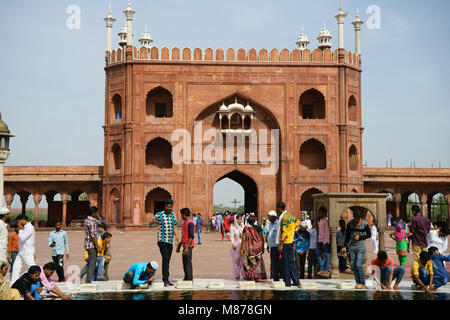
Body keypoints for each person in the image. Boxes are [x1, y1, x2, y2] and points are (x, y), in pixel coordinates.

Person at [152, 199, 179, 287]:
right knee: (166, 258)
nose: (169, 208)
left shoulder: (173, 215)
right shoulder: (159, 214)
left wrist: (177, 236)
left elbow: (174, 226)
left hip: (169, 241)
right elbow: (150, 223)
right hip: (162, 240)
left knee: (167, 260)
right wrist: (153, 222)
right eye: (167, 207)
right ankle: (166, 279)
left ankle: (166, 279)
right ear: (165, 206)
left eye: (170, 207)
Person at [341, 211, 371, 289]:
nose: (356, 221)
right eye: (355, 219)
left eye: (357, 220)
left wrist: (360, 237)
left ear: (360, 218)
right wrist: (345, 246)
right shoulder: (350, 223)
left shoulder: (364, 224)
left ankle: (363, 283)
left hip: (361, 247)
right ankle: (358, 283)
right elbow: (347, 236)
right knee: (354, 266)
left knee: (358, 264)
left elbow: (369, 234)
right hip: (352, 247)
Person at [276, 202, 300, 287]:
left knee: (285, 262)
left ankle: (287, 282)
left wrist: (281, 244)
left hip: (286, 243)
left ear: (279, 208)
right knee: (291, 261)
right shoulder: (291, 216)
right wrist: (293, 233)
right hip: (291, 241)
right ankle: (296, 281)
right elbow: (298, 223)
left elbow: (284, 232)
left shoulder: (284, 218)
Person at [10, 213, 36, 284]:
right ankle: (13, 284)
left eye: (18, 221)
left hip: (27, 252)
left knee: (33, 268)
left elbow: (22, 238)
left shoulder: (29, 227)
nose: (18, 223)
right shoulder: (25, 227)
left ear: (23, 220)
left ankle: (39, 282)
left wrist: (20, 230)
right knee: (16, 268)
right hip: (21, 252)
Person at [240, 214, 267, 281]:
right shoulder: (258, 227)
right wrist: (263, 247)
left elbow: (243, 239)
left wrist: (241, 249)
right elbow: (262, 238)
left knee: (249, 263)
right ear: (254, 221)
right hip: (258, 248)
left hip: (249, 249)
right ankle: (256, 276)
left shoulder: (245, 228)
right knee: (257, 263)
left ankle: (251, 276)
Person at [83, 206, 101, 283]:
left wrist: (98, 216)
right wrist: (97, 246)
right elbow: (93, 235)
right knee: (92, 263)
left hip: (88, 244)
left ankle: (80, 275)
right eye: (96, 212)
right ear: (94, 213)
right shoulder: (91, 222)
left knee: (92, 262)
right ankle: (88, 280)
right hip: (92, 245)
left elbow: (101, 222)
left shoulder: (87, 220)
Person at [176, 208, 195, 281]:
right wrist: (179, 246)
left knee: (188, 263)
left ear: (184, 215)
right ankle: (186, 277)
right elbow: (184, 236)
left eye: (181, 215)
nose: (181, 216)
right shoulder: (185, 223)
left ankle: (189, 279)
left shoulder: (190, 223)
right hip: (185, 245)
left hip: (188, 246)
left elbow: (191, 236)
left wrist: (187, 247)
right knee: (185, 263)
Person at [266, 210, 282, 281]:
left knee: (276, 262)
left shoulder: (278, 224)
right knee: (273, 262)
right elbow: (269, 235)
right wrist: (268, 245)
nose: (268, 219)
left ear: (274, 217)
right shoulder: (270, 224)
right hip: (272, 246)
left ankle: (277, 276)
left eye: (269, 217)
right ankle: (274, 276)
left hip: (277, 246)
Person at [230, 214, 245, 280]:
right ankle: (236, 274)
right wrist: (232, 244)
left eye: (240, 219)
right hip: (236, 245)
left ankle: (243, 274)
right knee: (236, 261)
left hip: (243, 245)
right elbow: (232, 236)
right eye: (238, 219)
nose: (239, 220)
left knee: (243, 260)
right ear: (235, 219)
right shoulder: (233, 227)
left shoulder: (243, 226)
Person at [316, 207, 330, 276]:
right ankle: (322, 268)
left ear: (324, 213)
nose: (319, 214)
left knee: (326, 254)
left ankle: (326, 269)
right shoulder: (320, 220)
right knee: (318, 254)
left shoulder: (326, 221)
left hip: (325, 240)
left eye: (321, 212)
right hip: (319, 239)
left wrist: (325, 242)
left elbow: (327, 232)